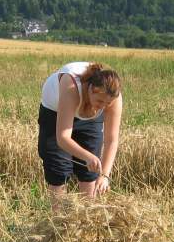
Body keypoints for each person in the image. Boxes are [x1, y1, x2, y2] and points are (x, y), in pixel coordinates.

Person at [38, 61, 122, 202]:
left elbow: (111, 140)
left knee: (90, 171)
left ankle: (87, 211)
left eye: (108, 103)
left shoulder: (112, 97)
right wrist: (87, 157)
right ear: (91, 89)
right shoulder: (71, 87)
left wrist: (105, 175)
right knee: (59, 169)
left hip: (89, 117)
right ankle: (58, 214)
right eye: (100, 101)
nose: (103, 107)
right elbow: (62, 138)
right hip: (54, 111)